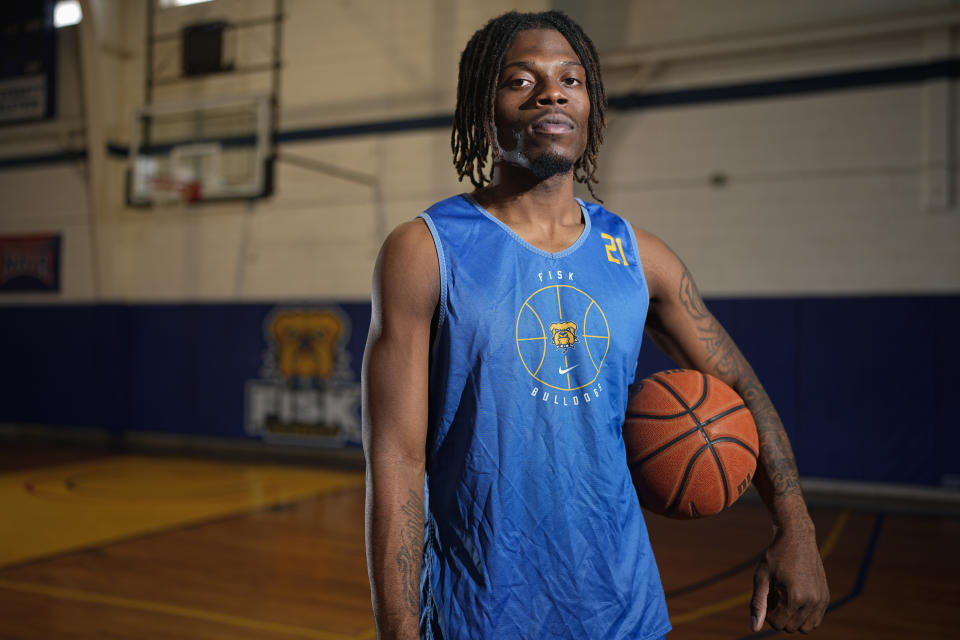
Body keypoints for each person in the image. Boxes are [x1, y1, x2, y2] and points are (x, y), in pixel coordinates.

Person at [362, 10, 829, 640]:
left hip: (623, 611)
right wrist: (398, 630)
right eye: (521, 80)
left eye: (571, 80)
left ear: (591, 108)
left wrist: (795, 525)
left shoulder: (640, 257)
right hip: (478, 615)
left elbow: (742, 387)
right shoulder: (425, 250)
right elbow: (396, 456)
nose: (551, 92)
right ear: (484, 108)